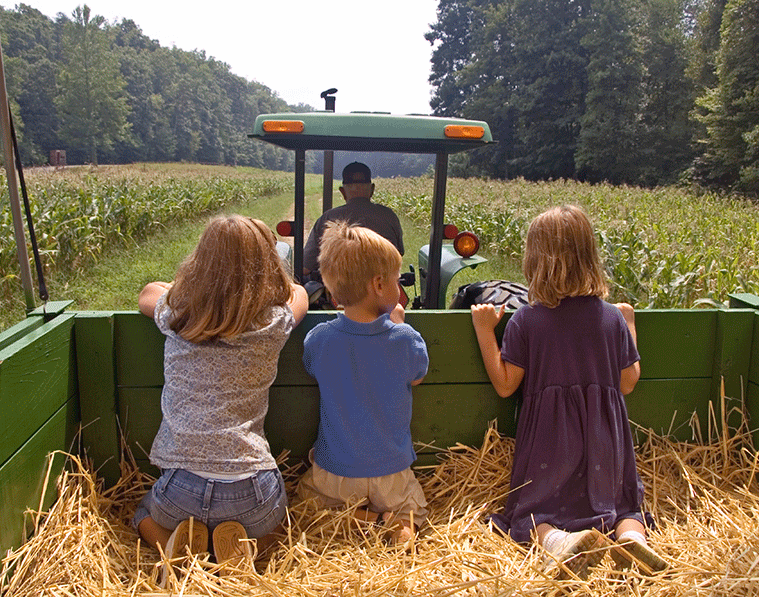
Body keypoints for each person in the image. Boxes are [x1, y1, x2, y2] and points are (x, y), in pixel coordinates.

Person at [470, 205, 666, 577]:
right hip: (604, 439)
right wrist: (629, 324)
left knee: (532, 508)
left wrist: (483, 330)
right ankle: (631, 538)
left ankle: (556, 541)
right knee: (623, 505)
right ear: (590, 257)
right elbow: (628, 381)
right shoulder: (611, 318)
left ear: (534, 261)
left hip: (549, 441)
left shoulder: (527, 320)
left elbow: (505, 383)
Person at [133, 215, 308, 573]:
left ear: (200, 263)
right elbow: (299, 294)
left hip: (180, 489)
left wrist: (191, 290)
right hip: (251, 491)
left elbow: (147, 292)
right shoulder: (273, 322)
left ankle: (170, 544)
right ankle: (244, 550)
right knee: (279, 527)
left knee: (141, 512)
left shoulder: (179, 314)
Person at [297, 221, 428, 544]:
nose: (399, 288)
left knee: (306, 504)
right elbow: (418, 377)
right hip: (391, 472)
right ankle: (398, 525)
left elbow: (313, 367)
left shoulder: (320, 339)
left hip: (336, 472)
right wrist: (399, 325)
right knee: (413, 510)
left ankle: (365, 520)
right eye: (397, 281)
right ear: (379, 284)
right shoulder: (405, 339)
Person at [303, 162, 404, 276]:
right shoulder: (389, 216)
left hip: (340, 289)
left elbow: (306, 267)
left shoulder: (328, 218)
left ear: (343, 192)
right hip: (382, 286)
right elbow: (399, 253)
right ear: (372, 189)